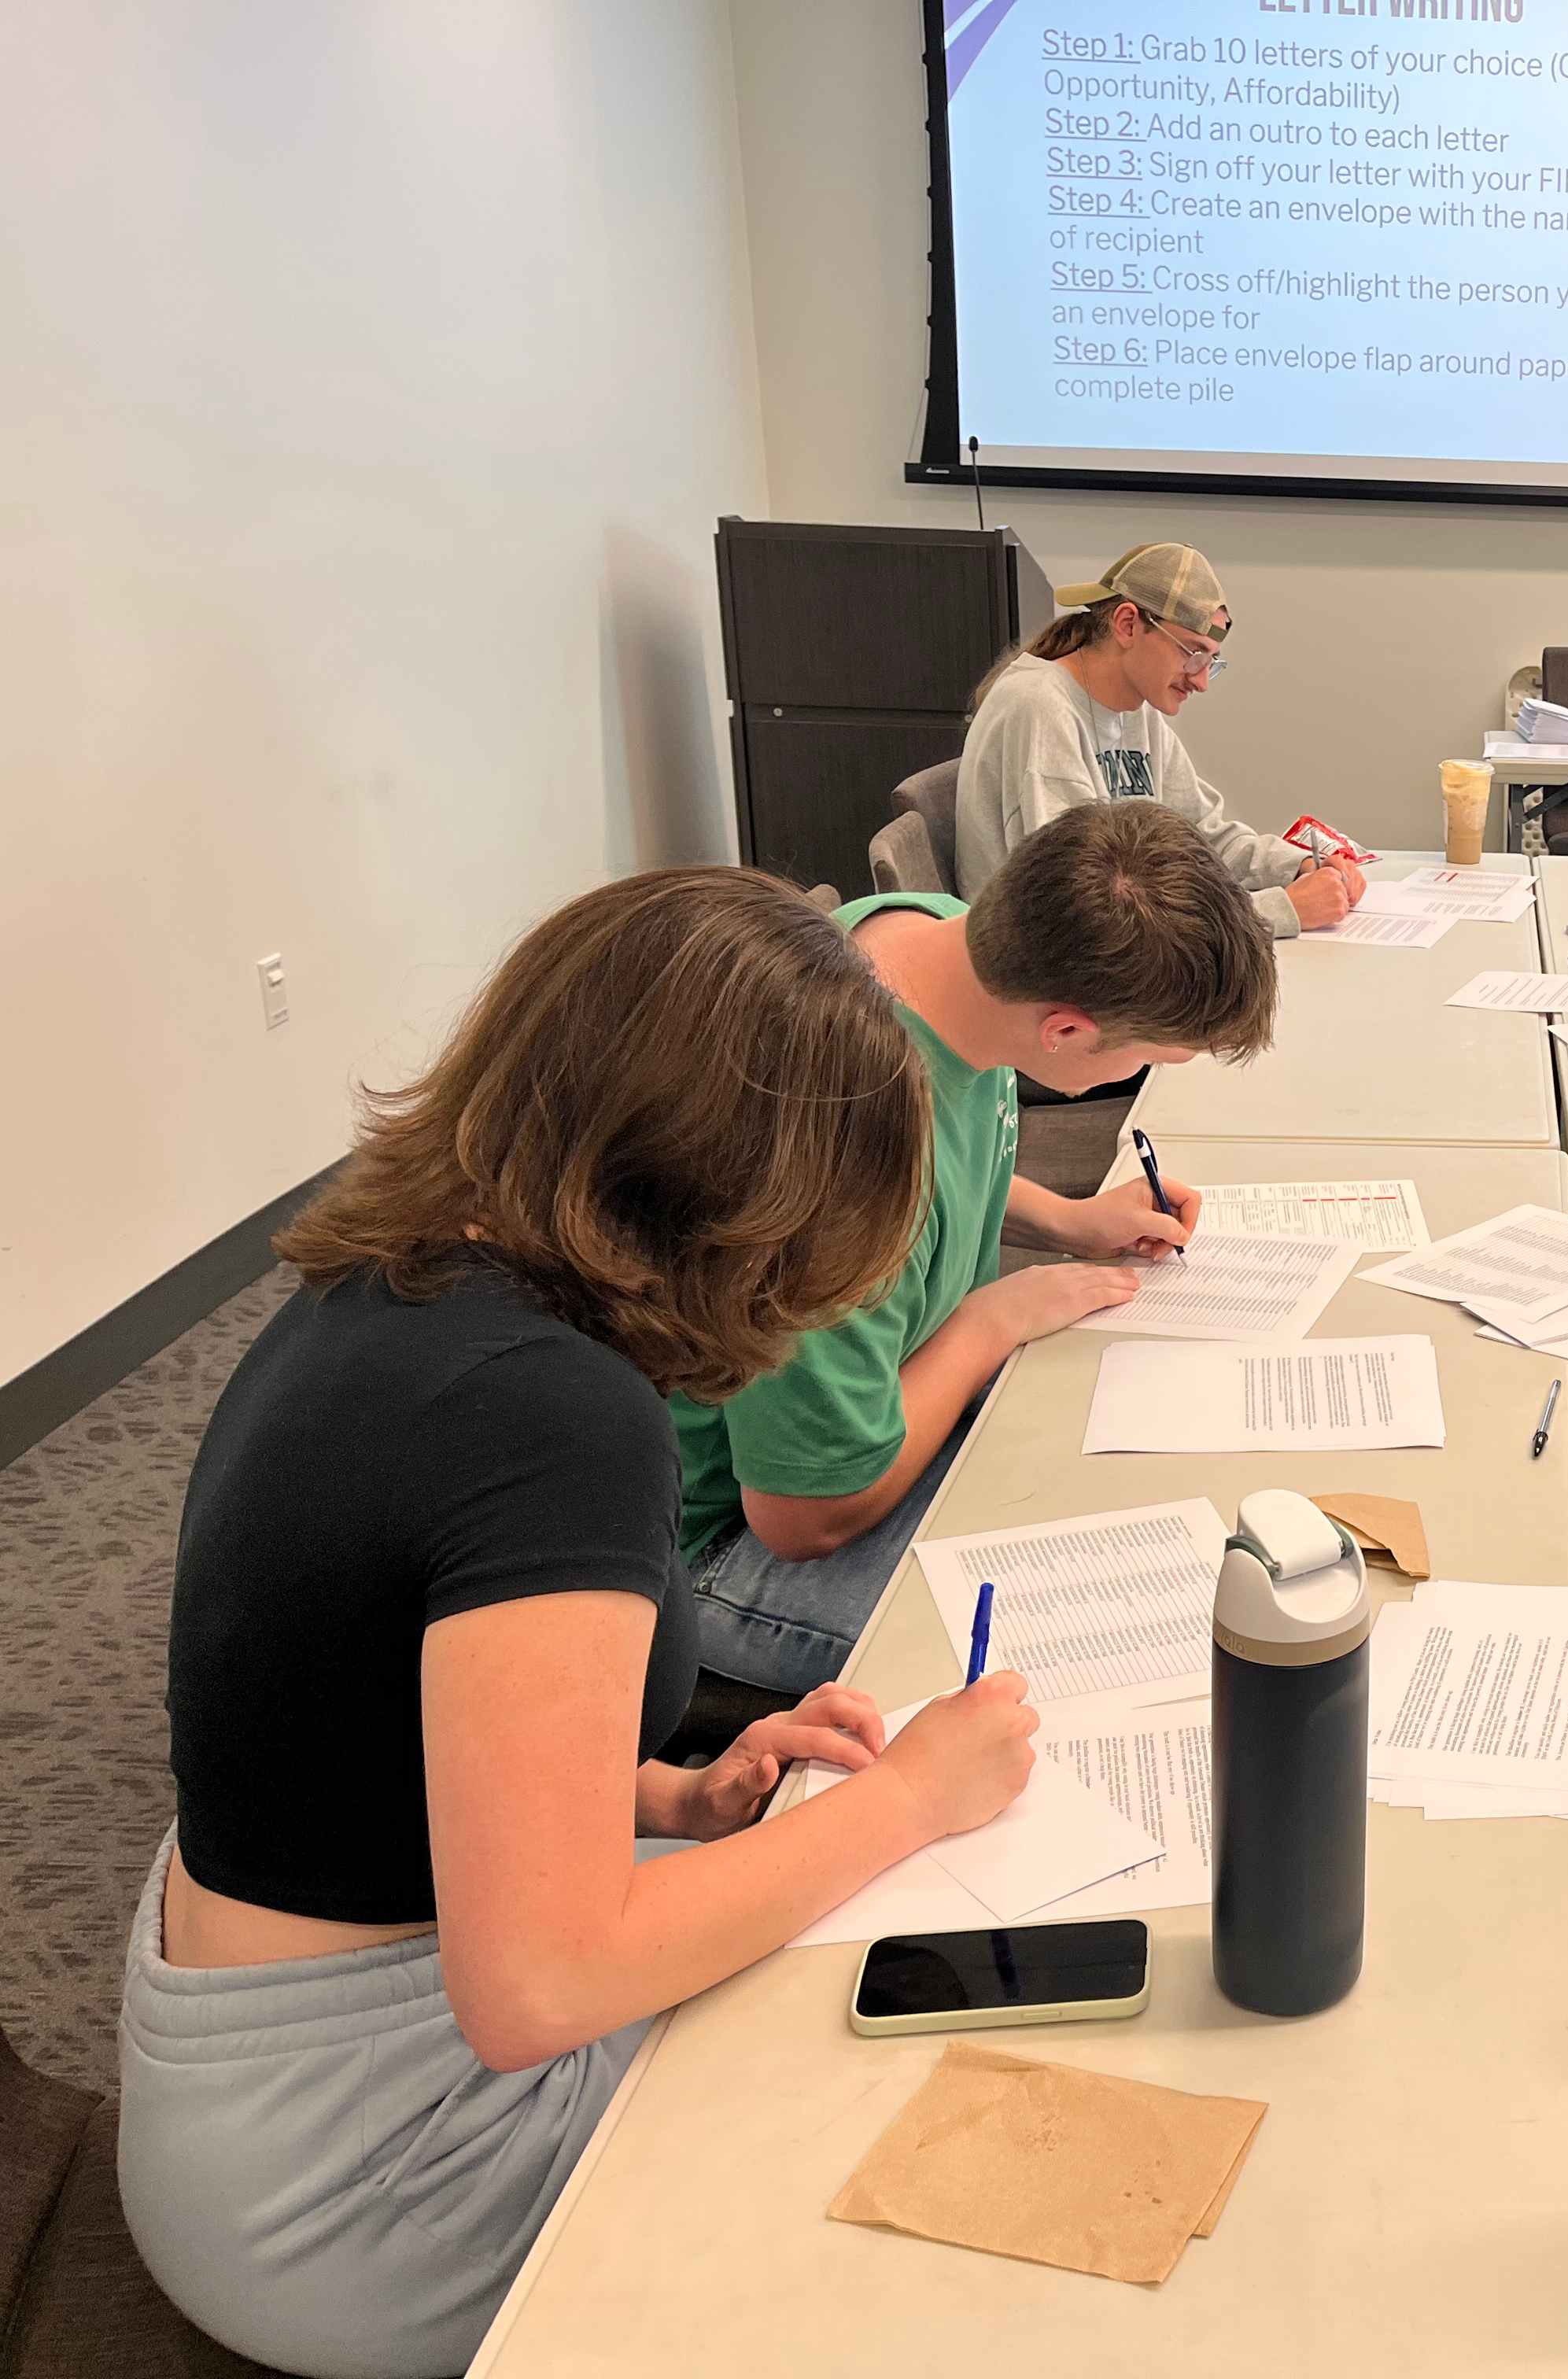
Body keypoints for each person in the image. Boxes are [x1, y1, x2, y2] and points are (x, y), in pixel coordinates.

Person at [121, 869, 1051, 2378]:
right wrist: (905, 1797)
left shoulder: (387, 1273)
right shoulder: (563, 1419)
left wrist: (667, 1797)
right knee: (929, 2099)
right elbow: (536, 1986)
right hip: (349, 2174)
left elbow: (358, 1722)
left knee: (812, 1927)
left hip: (244, 2052)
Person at [676, 801, 1279, 1698]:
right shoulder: (839, 1149)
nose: (1136, 1077)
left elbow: (947, 1163)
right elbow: (805, 1517)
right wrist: (987, 1324)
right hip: (718, 1554)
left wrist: (1066, 1221)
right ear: (1067, 1032)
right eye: (1150, 1060)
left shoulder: (941, 941)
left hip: (879, 1409)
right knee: (1144, 1657)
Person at [954, 540, 1363, 937]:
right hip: (1043, 971)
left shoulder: (1137, 711)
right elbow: (1085, 907)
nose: (1202, 681)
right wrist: (1278, 911)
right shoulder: (1039, 707)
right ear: (1127, 624)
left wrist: (1298, 867)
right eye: (1192, 653)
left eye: (1210, 661)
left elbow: (1201, 836)